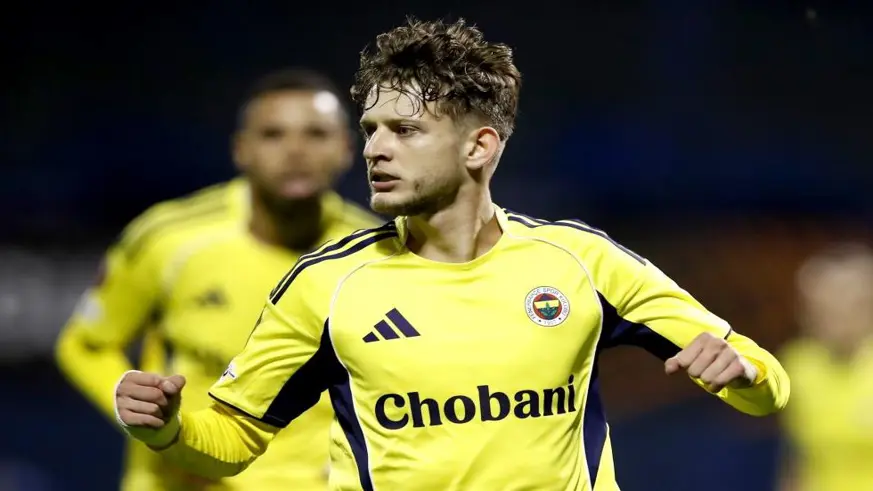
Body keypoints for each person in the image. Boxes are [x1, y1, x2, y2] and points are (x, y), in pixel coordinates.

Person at [112, 18, 790, 490]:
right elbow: (232, 438)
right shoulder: (327, 285)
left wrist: (743, 373)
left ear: (479, 146)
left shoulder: (582, 262)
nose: (375, 149)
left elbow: (767, 386)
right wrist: (166, 428)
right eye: (371, 129)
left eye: (405, 130)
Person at [56, 67, 380, 491]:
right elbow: (86, 345)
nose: (296, 151)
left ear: (347, 149)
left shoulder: (378, 257)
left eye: (316, 134)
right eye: (273, 135)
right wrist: (145, 416)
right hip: (183, 477)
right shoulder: (170, 239)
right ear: (241, 150)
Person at [777, 243, 873, 491]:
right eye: (818, 306)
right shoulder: (796, 364)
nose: (829, 315)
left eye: (842, 302)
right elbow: (797, 457)